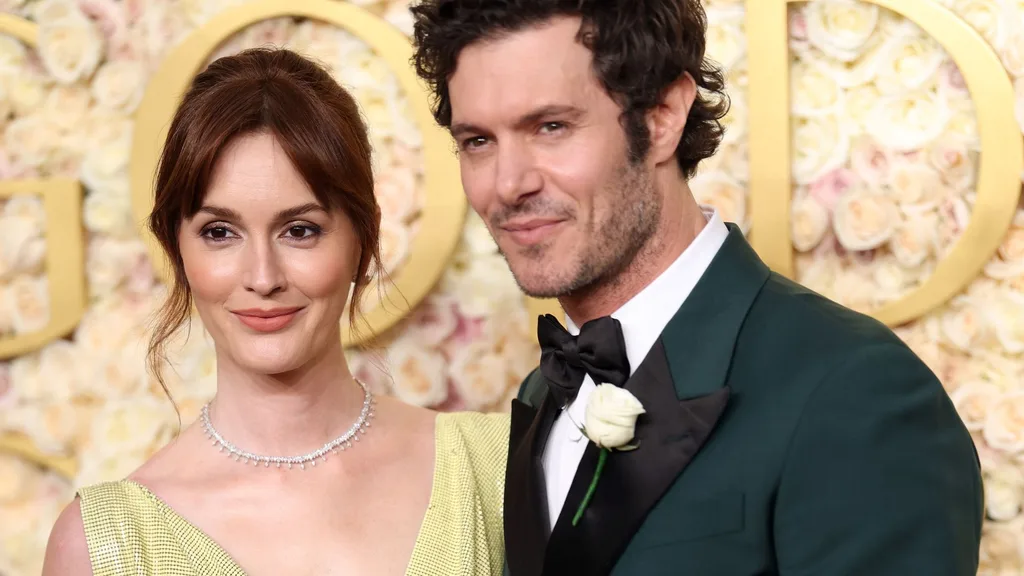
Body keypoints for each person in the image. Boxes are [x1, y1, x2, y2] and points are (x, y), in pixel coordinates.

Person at [409, 1, 984, 575]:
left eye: (551, 127)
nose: (509, 184)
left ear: (662, 116)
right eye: (478, 141)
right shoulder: (544, 390)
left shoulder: (854, 391)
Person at [41, 48, 508, 576]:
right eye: (220, 233)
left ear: (363, 238)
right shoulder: (102, 548)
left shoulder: (490, 468)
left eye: (300, 230)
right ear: (178, 249)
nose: (263, 277)